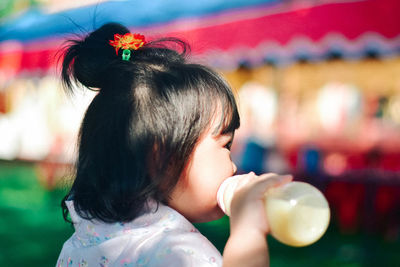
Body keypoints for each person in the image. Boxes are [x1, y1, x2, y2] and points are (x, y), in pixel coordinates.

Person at [56, 22, 292, 267]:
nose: (233, 167)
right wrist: (248, 233)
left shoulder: (81, 245)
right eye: (225, 145)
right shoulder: (176, 253)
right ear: (162, 158)